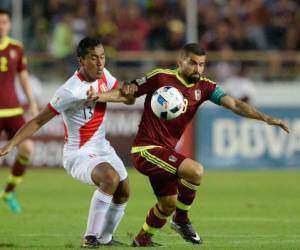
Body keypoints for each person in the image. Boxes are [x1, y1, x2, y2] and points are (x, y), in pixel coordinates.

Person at [120, 43, 289, 246]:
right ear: (180, 61)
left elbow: (234, 104)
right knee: (195, 171)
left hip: (165, 152)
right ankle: (181, 220)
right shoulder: (161, 77)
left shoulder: (205, 87)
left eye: (202, 65)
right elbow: (128, 90)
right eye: (192, 63)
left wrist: (265, 118)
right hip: (146, 149)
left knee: (168, 204)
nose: (198, 69)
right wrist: (103, 95)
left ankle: (142, 239)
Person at [0, 37, 133, 248]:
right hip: (78, 154)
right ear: (80, 60)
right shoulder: (70, 91)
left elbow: (125, 97)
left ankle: (106, 239)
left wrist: (118, 93)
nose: (100, 63)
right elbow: (38, 120)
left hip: (103, 148)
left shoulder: (104, 75)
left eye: (102, 57)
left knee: (124, 191)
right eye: (93, 58)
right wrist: (12, 144)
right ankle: (90, 238)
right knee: (110, 178)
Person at [0, 9, 39, 213]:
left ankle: (8, 192)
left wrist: (31, 101)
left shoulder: (16, 47)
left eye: (4, 21)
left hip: (13, 109)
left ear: (9, 24)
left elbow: (23, 76)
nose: (1, 25)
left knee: (27, 149)